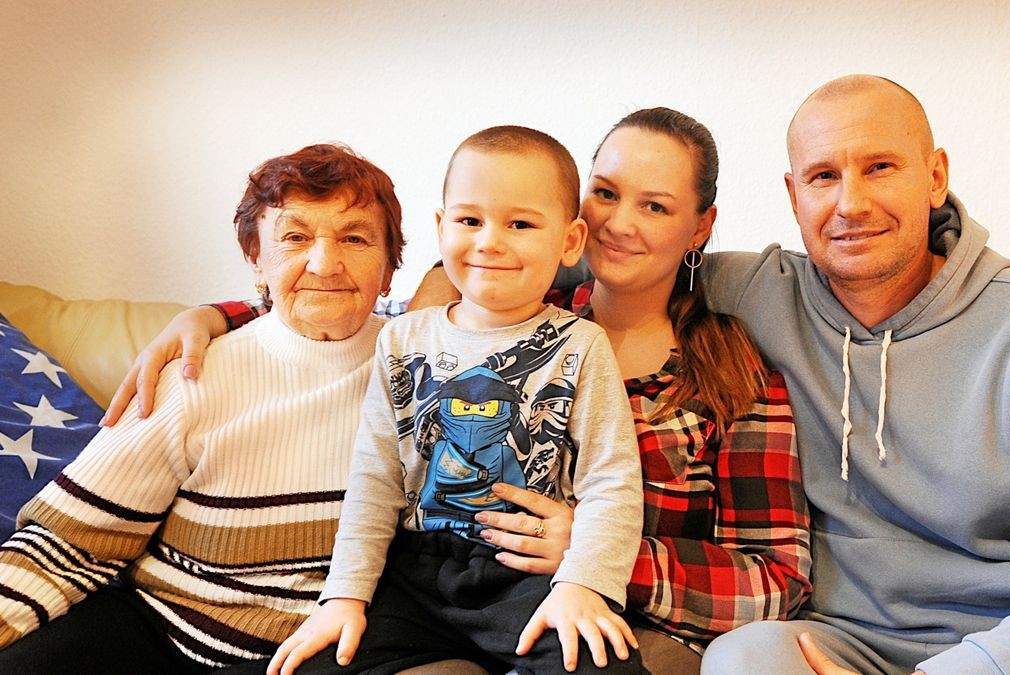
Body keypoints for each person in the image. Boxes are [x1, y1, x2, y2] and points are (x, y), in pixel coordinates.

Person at [103, 108, 812, 674]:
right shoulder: (458, 317)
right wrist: (215, 315)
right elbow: (341, 328)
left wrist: (596, 564)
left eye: (655, 205)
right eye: (605, 193)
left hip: (603, 607)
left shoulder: (728, 369)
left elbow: (776, 576)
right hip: (423, 575)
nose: (618, 222)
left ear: (700, 225)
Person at [697, 75, 1010, 674]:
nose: (850, 203)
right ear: (793, 194)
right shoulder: (753, 295)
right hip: (839, 646)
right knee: (742, 658)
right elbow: (614, 254)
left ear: (935, 176)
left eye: (880, 166)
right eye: (823, 176)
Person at [0, 143, 406, 672]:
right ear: (257, 261)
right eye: (295, 237)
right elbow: (73, 540)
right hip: (161, 627)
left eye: (355, 238)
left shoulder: (424, 368)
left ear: (389, 268)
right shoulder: (196, 370)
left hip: (326, 644)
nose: (325, 263)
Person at [262, 125, 645, 675]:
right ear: (441, 228)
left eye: (520, 223)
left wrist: (585, 585)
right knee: (316, 664)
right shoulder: (402, 339)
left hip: (525, 570)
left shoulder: (581, 344)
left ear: (569, 241)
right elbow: (375, 479)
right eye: (470, 220)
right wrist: (344, 596)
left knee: (600, 662)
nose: (489, 240)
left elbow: (611, 480)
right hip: (413, 570)